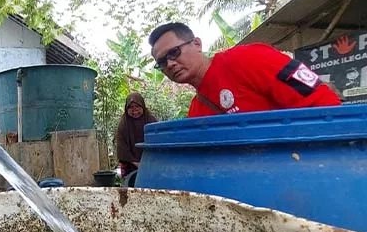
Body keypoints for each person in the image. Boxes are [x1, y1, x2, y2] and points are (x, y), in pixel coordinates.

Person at [149, 22, 341, 117]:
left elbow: (324, 101)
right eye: (162, 62)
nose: (170, 64)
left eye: (174, 52)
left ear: (197, 44)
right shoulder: (197, 110)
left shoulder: (251, 59)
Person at [115, 92, 157, 178]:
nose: (135, 110)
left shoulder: (151, 120)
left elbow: (157, 140)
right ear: (126, 109)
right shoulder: (124, 124)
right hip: (130, 164)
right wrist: (137, 164)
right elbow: (122, 148)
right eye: (131, 107)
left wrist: (147, 163)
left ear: (142, 106)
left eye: (137, 107)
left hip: (151, 162)